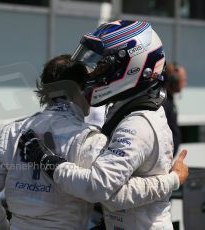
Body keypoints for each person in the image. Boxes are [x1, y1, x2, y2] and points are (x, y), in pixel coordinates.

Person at [0, 54, 187, 229]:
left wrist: (4, 227)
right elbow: (114, 197)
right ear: (82, 90)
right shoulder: (90, 139)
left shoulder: (11, 132)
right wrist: (173, 180)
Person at [20, 20, 188, 229]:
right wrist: (171, 180)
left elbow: (100, 189)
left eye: (103, 66)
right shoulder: (126, 108)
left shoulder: (137, 124)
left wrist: (46, 160)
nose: (92, 74)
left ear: (131, 67)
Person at [163, 63, 187, 156]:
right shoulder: (164, 102)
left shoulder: (169, 100)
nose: (185, 83)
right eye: (183, 80)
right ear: (174, 80)